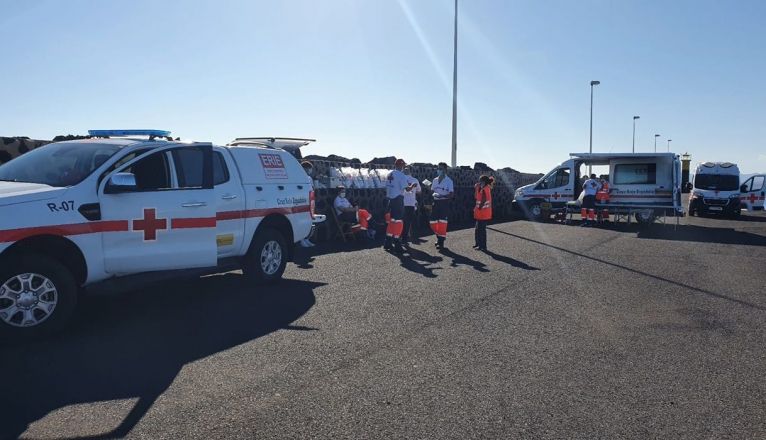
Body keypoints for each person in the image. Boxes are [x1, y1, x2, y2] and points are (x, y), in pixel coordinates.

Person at [385, 158, 416, 253]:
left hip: (390, 200)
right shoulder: (401, 175)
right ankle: (397, 243)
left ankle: (388, 242)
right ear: (401, 166)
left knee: (392, 221)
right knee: (398, 222)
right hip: (398, 199)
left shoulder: (389, 174)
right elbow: (407, 189)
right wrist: (413, 186)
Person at [430, 162, 454, 249]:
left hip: (444, 203)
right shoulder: (435, 180)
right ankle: (439, 236)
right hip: (436, 203)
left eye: (440, 169)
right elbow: (432, 190)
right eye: (438, 168)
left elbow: (451, 194)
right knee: (432, 222)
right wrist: (434, 193)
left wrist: (442, 196)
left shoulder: (449, 181)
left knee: (442, 222)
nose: (439, 170)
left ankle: (441, 241)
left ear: (445, 170)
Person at [402, 166, 421, 245]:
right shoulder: (415, 180)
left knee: (400, 221)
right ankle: (405, 239)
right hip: (410, 204)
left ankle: (398, 238)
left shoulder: (401, 179)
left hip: (401, 203)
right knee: (408, 222)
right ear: (411, 171)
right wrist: (413, 192)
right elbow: (419, 191)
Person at [473, 175, 494, 250]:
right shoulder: (481, 188)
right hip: (481, 213)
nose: (479, 182)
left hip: (483, 213)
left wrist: (479, 207)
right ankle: (478, 244)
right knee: (478, 229)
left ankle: (482, 246)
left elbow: (484, 199)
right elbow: (476, 197)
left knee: (481, 230)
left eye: (480, 181)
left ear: (484, 182)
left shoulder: (486, 188)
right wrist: (476, 188)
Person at [300, 160, 316, 247]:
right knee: (303, 220)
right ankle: (302, 239)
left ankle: (307, 239)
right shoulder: (299, 177)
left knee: (310, 221)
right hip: (303, 200)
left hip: (310, 201)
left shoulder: (309, 178)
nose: (310, 170)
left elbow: (312, 188)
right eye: (309, 168)